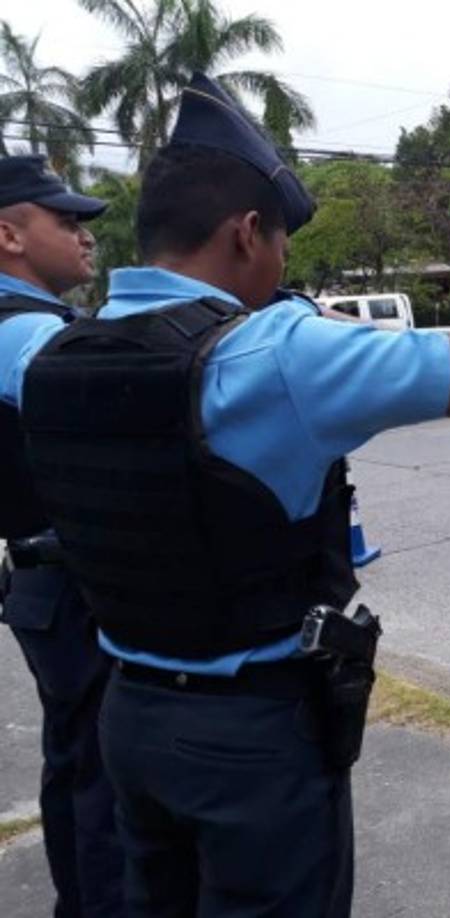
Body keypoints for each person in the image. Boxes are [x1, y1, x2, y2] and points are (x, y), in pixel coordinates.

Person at [0, 74, 450, 917]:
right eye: (278, 243)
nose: (280, 263)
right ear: (246, 233)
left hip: (127, 714)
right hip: (250, 738)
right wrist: (302, 321)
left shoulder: (48, 355)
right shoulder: (276, 354)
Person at [0, 156, 125, 917]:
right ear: (8, 235)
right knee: (104, 775)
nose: (86, 239)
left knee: (78, 762)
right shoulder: (22, 333)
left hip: (52, 584)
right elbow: (119, 396)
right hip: (72, 585)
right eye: (67, 222)